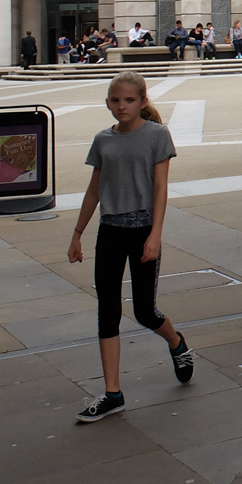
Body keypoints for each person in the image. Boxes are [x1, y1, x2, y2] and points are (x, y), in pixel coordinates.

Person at [68, 72, 194, 422]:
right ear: (107, 102)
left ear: (141, 101)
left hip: (142, 230)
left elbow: (160, 187)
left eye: (128, 100)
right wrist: (78, 233)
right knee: (107, 310)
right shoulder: (102, 140)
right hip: (109, 230)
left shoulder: (156, 135)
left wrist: (155, 234)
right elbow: (94, 190)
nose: (121, 106)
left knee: (143, 311)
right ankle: (113, 393)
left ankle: (176, 343)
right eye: (114, 100)